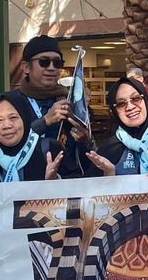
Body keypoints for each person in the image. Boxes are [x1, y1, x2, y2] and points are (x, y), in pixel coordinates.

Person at [17, 36, 92, 177]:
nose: (51, 68)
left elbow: (87, 160)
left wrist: (84, 141)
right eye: (44, 62)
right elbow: (7, 146)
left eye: (57, 63)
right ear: (26, 67)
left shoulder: (70, 102)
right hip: (28, 182)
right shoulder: (10, 103)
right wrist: (45, 121)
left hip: (69, 182)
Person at [0, 91, 63, 183]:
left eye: (13, 118)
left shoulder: (50, 151)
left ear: (25, 119)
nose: (6, 125)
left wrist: (55, 181)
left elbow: (72, 183)